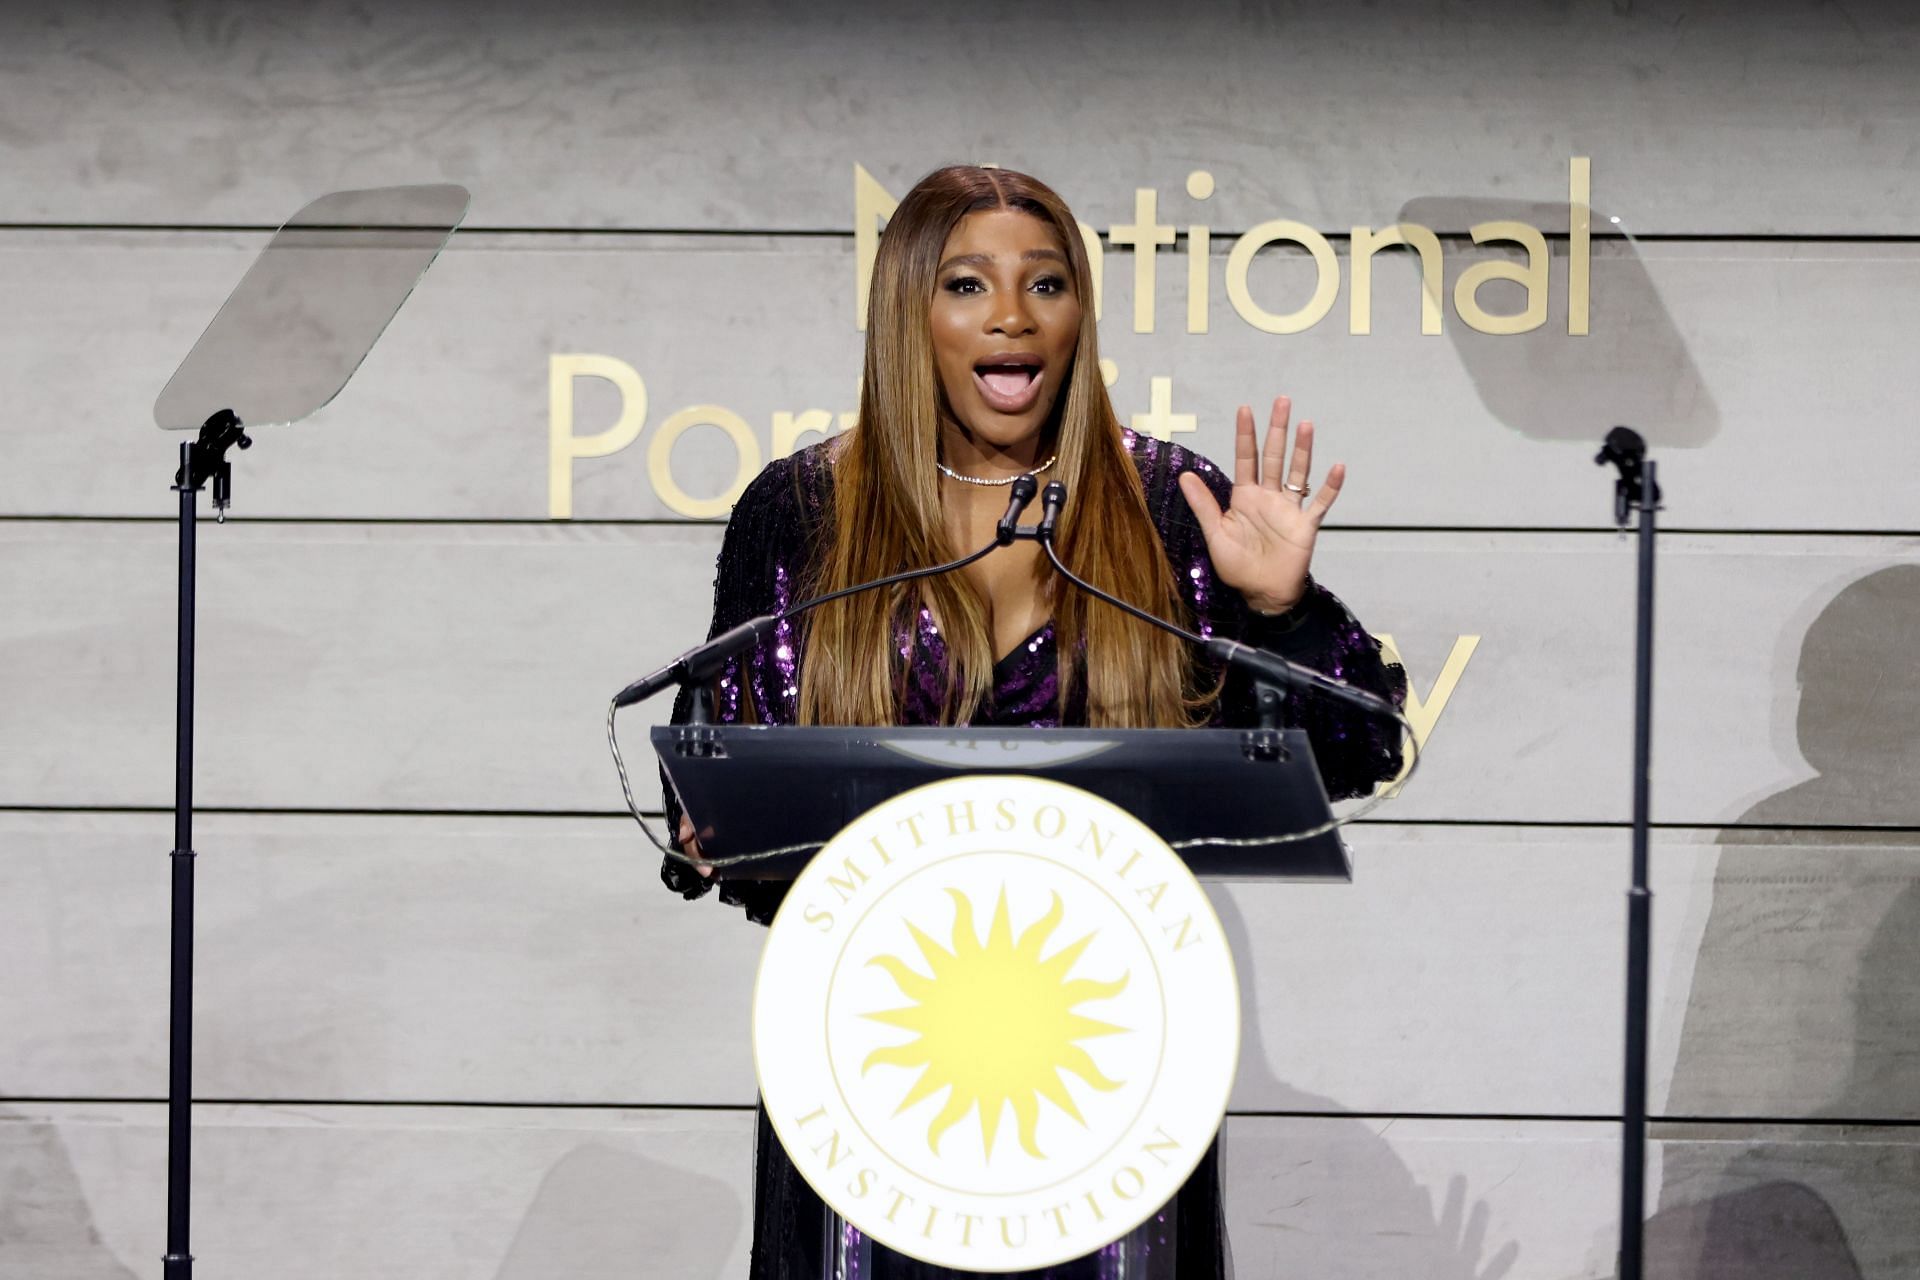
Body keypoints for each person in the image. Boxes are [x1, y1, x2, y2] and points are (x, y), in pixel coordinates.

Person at [659, 165, 1406, 1279]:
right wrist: (709, 831)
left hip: (1113, 1075)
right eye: (968, 283)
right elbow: (720, 782)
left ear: (1078, 315)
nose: (1012, 314)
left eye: (1046, 283)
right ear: (912, 313)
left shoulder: (1168, 508)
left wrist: (1281, 607)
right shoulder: (803, 508)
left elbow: (1359, 748)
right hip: (872, 1058)